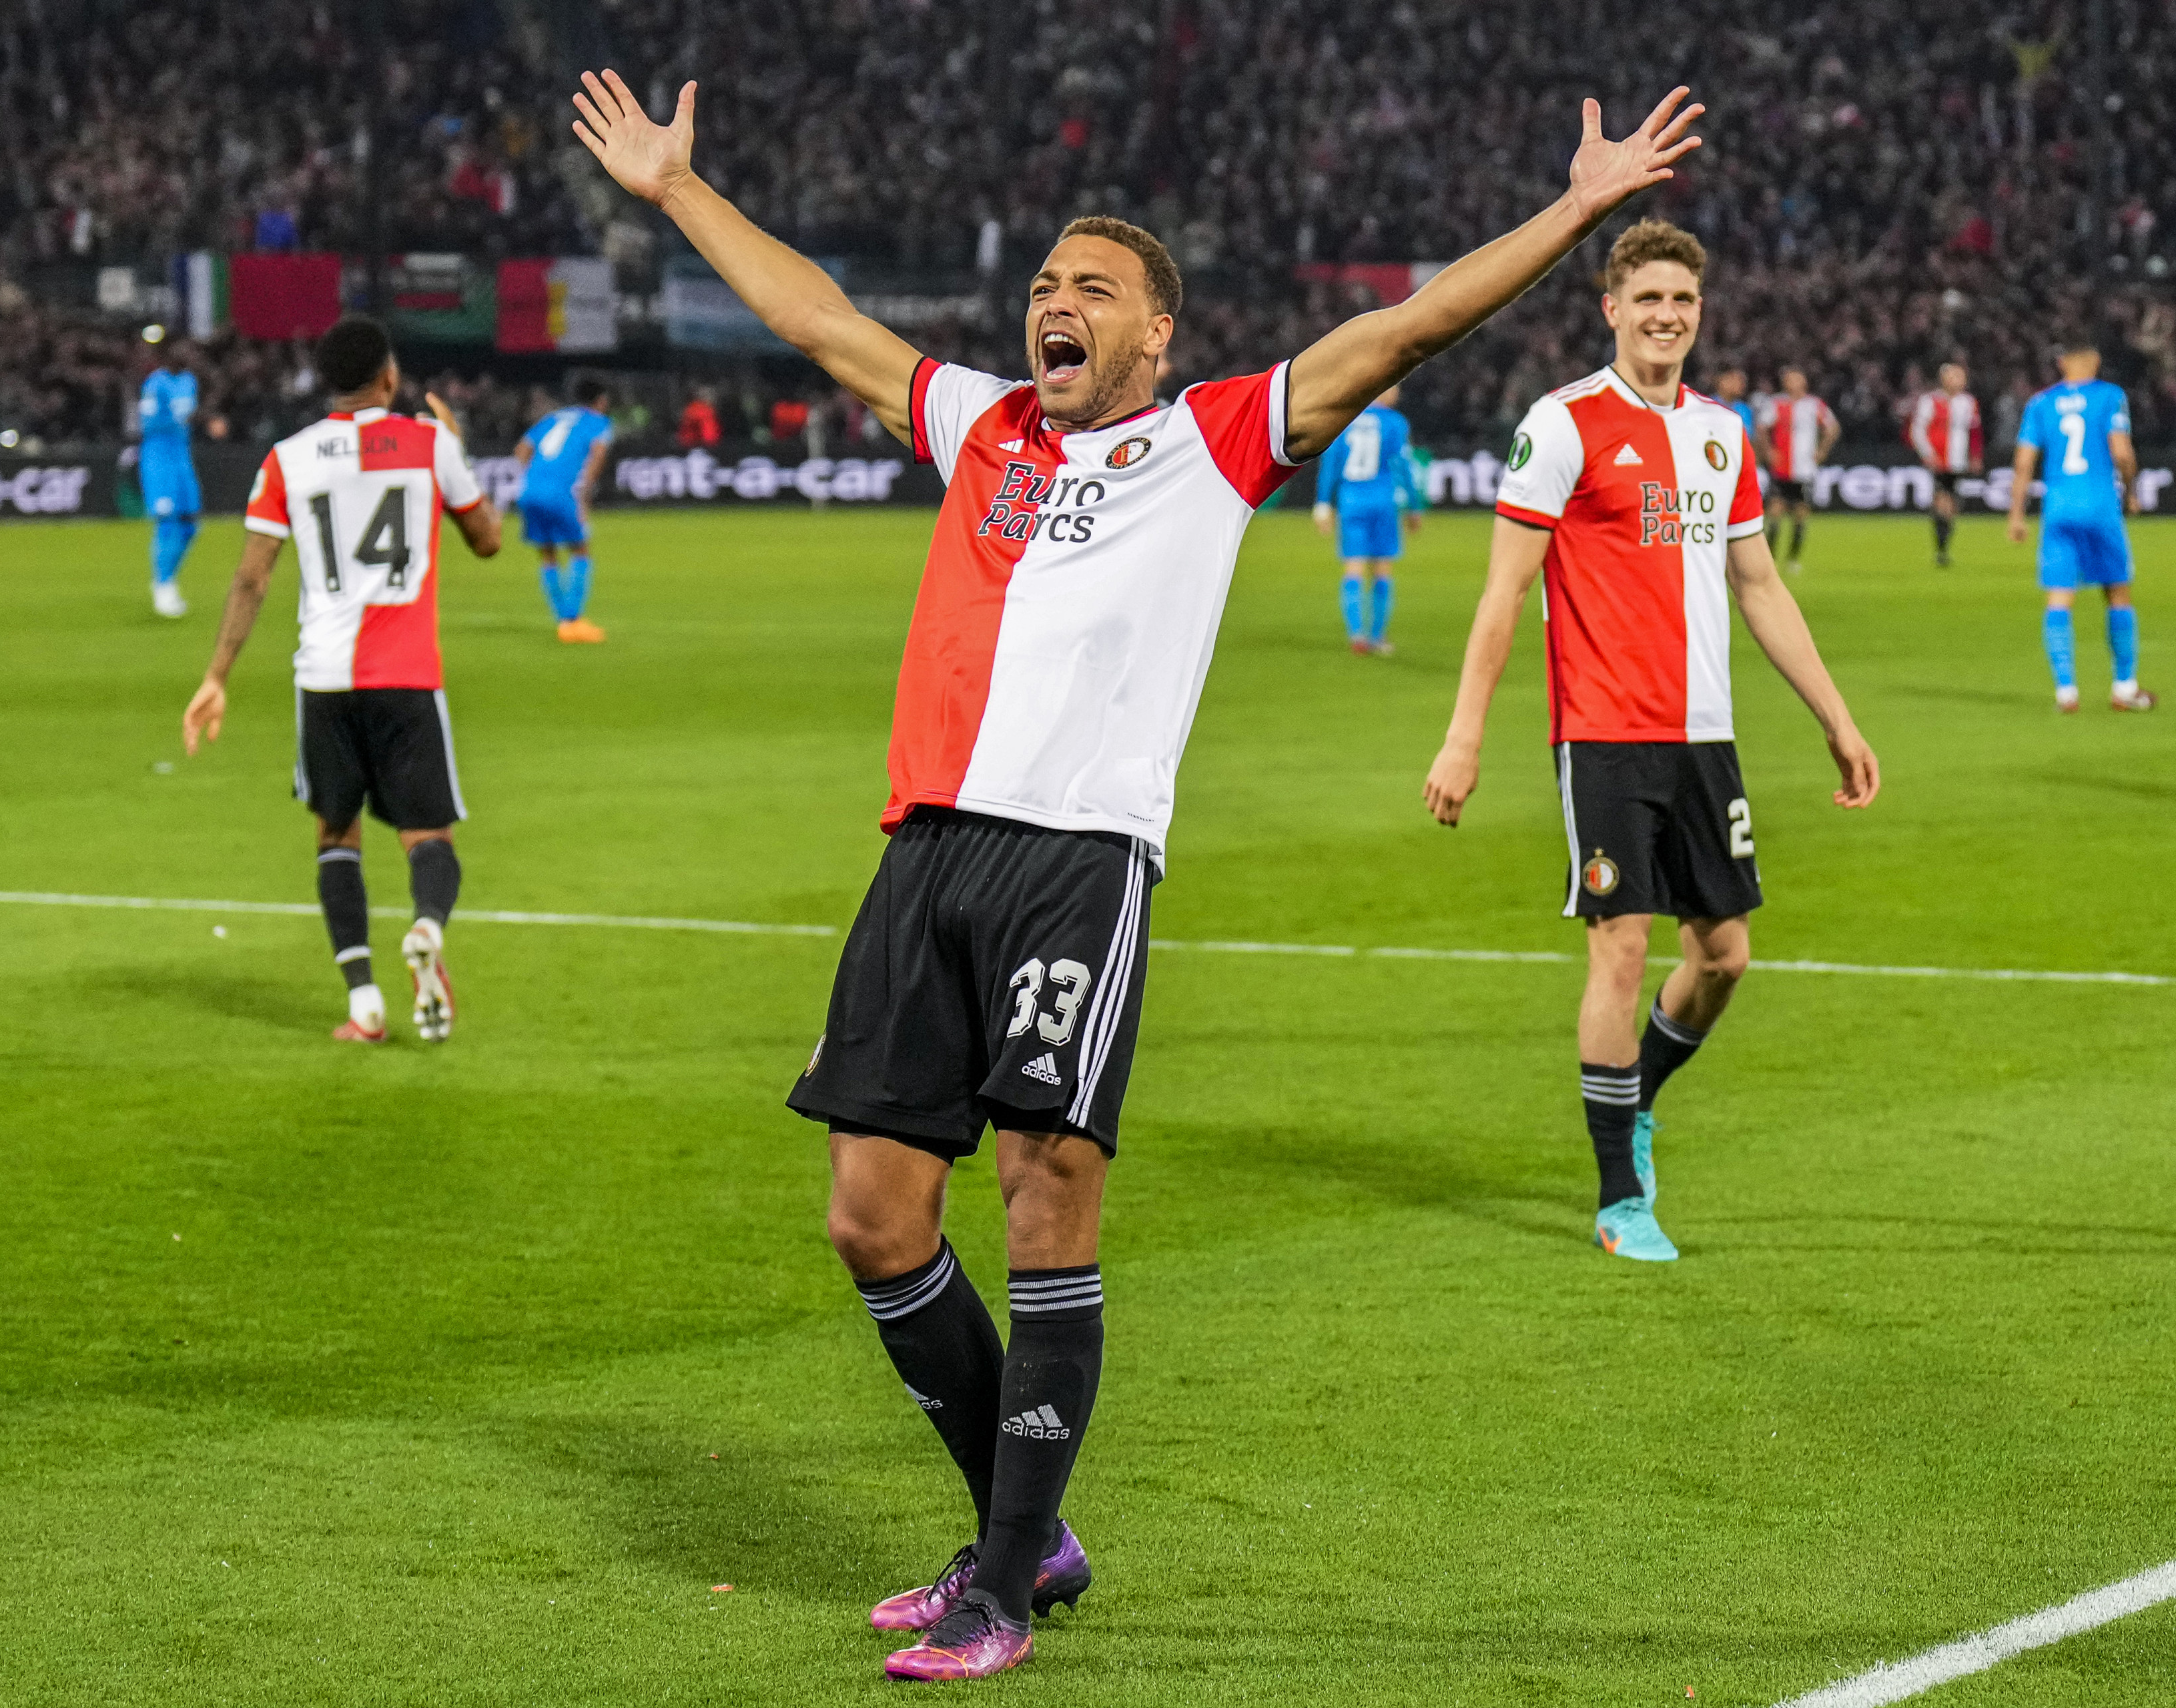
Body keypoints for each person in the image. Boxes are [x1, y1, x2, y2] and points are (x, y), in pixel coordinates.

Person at [573, 65, 1703, 1680]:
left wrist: (1579, 210)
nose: (1054, 302)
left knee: (1043, 1198)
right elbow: (821, 321)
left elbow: (1402, 333)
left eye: (1089, 289)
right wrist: (677, 192)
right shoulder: (980, 424)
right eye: (1043, 283)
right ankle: (1021, 1523)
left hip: (1072, 858)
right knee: (871, 1215)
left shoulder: (1208, 439)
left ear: (1153, 335)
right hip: (924, 851)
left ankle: (1006, 1588)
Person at [1423, 219, 1880, 1264]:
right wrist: (1464, 736)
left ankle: (1635, 1098)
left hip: (1703, 736)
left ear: (1697, 313)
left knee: (1724, 958)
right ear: (1613, 310)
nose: (1667, 316)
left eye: (1682, 301)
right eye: (1649, 300)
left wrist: (1837, 719)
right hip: (1604, 734)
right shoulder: (1565, 423)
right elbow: (1505, 589)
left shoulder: (1722, 435)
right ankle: (1621, 1199)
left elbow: (1759, 585)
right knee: (1621, 947)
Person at [181, 318, 505, 1041]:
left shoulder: (288, 459)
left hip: (323, 677)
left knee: (337, 832)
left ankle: (362, 1004)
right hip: (406, 674)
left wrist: (216, 675)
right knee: (428, 834)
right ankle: (426, 926)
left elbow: (251, 578)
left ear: (326, 385)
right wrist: (460, 451)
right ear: (389, 378)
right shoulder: (429, 444)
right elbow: (488, 541)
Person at [2008, 342, 2154, 712]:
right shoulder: (2110, 396)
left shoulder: (2040, 403)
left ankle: (2066, 693)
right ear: (2095, 360)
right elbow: (2121, 452)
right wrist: (2132, 491)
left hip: (2058, 509)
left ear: (2061, 363)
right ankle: (2124, 689)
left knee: (2059, 597)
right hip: (2100, 506)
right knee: (2117, 594)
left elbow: (2024, 462)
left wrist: (2016, 515)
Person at [1311, 384, 1419, 656]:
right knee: (1382, 570)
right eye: (1394, 386)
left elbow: (1331, 463)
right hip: (1383, 500)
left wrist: (1323, 503)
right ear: (1383, 391)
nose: (1397, 392)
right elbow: (1403, 466)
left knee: (1354, 569)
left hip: (1351, 502)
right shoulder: (1395, 423)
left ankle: (1357, 636)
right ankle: (1378, 637)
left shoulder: (1346, 420)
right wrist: (1414, 507)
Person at [513, 378, 617, 643]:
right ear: (601, 400)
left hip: (530, 490)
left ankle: (564, 620)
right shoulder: (598, 422)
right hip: (562, 493)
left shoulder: (554, 417)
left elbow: (522, 449)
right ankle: (573, 621)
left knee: (548, 554)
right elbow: (599, 453)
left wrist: (535, 477)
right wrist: (584, 492)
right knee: (580, 550)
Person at [139, 336, 204, 618]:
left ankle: (169, 578)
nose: (188, 354)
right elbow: (148, 423)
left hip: (181, 458)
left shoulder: (190, 381)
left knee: (191, 524)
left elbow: (190, 414)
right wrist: (190, 418)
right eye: (183, 349)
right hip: (158, 458)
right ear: (170, 355)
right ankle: (162, 586)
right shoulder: (155, 384)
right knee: (167, 522)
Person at [1756, 367, 1837, 572]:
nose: (1791, 382)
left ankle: (1793, 558)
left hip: (1805, 470)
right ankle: (1769, 558)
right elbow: (1762, 428)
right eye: (1788, 379)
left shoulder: (1813, 405)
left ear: (1804, 382)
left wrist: (1822, 451)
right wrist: (1769, 452)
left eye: (1795, 379)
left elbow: (1833, 428)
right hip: (1781, 468)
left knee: (1801, 513)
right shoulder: (1776, 404)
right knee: (1774, 511)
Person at [1908, 362, 1982, 568]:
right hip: (1938, 461)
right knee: (1942, 502)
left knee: (1953, 507)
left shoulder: (1969, 402)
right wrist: (1927, 454)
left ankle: (1943, 545)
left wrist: (1976, 456)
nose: (1960, 381)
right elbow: (1917, 430)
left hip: (1959, 462)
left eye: (1961, 377)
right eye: (1955, 377)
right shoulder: (1929, 401)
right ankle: (1941, 552)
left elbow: (1975, 431)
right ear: (1944, 380)